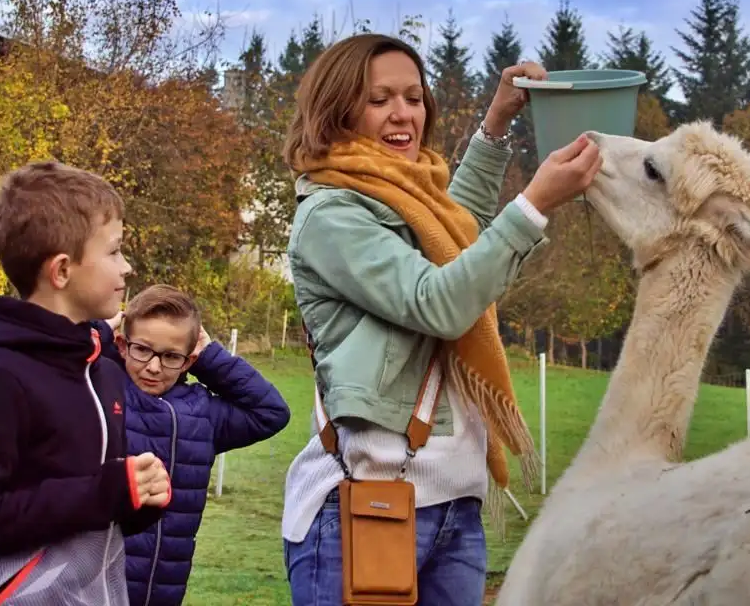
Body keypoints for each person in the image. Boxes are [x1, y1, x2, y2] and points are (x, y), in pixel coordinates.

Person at [280, 33, 602, 605]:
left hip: (455, 504)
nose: (403, 113)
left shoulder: (406, 197)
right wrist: (534, 206)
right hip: (365, 504)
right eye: (379, 99)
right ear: (338, 110)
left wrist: (496, 125)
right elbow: (439, 300)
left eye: (413, 96)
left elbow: (459, 232)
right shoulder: (332, 215)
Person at [0, 160, 172, 606]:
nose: (127, 268)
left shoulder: (100, 368)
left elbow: (90, 507)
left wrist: (136, 498)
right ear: (62, 271)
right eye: (114, 251)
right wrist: (107, 491)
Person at [108, 285, 292, 606]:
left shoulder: (201, 413)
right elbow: (48, 374)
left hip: (164, 594)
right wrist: (94, 335)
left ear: (188, 360)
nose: (153, 366)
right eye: (142, 350)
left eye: (170, 356)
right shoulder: (101, 394)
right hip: (90, 590)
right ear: (123, 345)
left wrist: (210, 358)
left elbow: (271, 412)